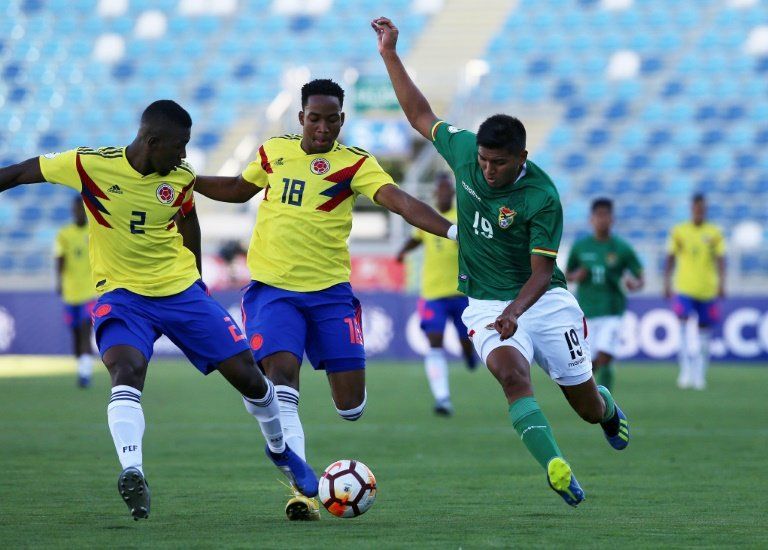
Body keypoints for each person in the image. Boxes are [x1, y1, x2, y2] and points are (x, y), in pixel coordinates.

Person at [0, 100, 317, 521]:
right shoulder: (89, 165)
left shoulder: (180, 178)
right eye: (179, 145)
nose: (184, 155)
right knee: (125, 370)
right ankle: (133, 470)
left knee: (251, 378)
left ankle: (280, 449)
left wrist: (197, 281)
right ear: (152, 141)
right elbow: (22, 172)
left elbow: (189, 221)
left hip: (181, 291)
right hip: (123, 296)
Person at [372, 17, 630, 507]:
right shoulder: (465, 150)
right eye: (484, 161)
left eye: (499, 163)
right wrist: (389, 54)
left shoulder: (542, 196)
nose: (488, 170)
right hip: (485, 303)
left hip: (543, 302)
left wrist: (516, 311)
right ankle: (555, 467)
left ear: (522, 157)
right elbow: (420, 114)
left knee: (586, 406)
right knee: (513, 378)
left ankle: (608, 409)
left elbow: (541, 272)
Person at [194, 78, 455, 520]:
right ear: (301, 117)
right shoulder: (274, 152)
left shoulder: (355, 163)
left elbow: (398, 201)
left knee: (351, 407)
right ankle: (302, 491)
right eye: (314, 119)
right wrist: (189, 180)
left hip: (331, 295)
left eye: (331, 120)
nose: (322, 128)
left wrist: (451, 230)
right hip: (273, 291)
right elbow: (238, 189)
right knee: (281, 379)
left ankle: (274, 405)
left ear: (341, 120)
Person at [396, 172, 477, 416]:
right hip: (432, 294)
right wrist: (402, 252)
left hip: (460, 293)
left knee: (466, 342)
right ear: (435, 192)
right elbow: (416, 238)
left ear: (452, 193)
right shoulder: (428, 217)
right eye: (440, 189)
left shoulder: (462, 218)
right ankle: (442, 398)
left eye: (447, 190)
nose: (443, 193)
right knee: (434, 342)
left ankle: (469, 355)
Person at [566, 198, 643, 392]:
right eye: (598, 215)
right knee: (590, 361)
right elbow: (566, 274)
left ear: (612, 219)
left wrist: (634, 284)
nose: (602, 219)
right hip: (586, 312)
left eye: (605, 215)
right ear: (591, 219)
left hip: (612, 311)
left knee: (605, 354)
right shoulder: (581, 247)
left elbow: (640, 277)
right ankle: (595, 396)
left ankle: (602, 397)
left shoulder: (622, 248)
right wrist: (576, 276)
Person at [664, 193, 725, 390]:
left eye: (702, 208)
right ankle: (685, 371)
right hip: (684, 288)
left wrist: (722, 283)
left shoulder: (714, 232)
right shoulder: (679, 231)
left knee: (704, 334)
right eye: (696, 208)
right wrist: (666, 283)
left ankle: (700, 373)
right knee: (682, 328)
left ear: (705, 209)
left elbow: (721, 259)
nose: (699, 211)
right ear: (691, 209)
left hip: (707, 290)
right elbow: (670, 257)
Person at [55, 197, 98, 388]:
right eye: (76, 209)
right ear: (72, 211)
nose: (79, 212)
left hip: (90, 292)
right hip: (70, 292)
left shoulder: (95, 231)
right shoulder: (64, 234)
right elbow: (59, 258)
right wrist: (59, 281)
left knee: (84, 330)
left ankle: (85, 374)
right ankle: (82, 367)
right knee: (75, 334)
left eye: (82, 208)